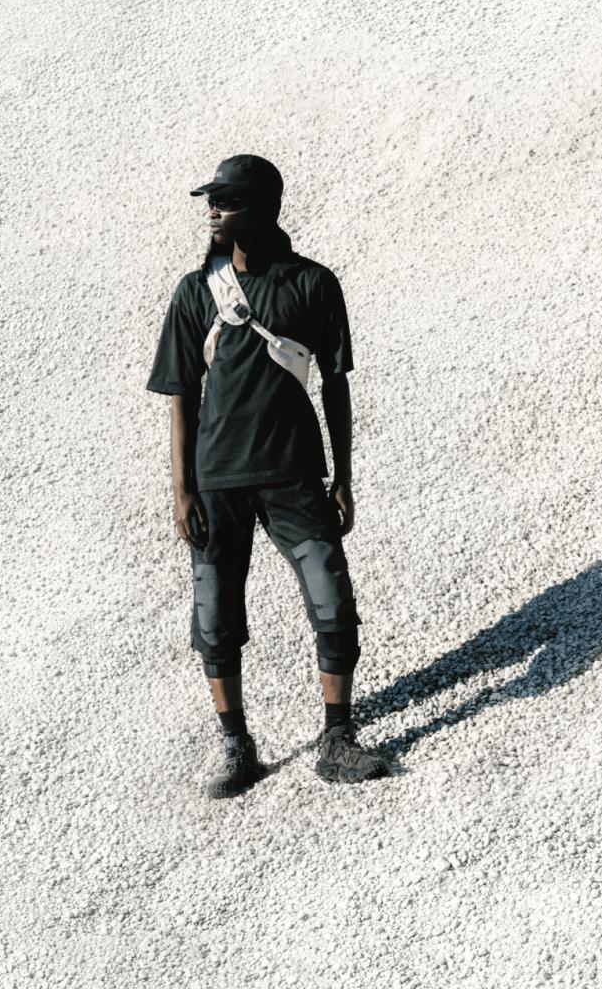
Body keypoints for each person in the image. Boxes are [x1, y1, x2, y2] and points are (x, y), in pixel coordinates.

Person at [145, 154, 390, 797]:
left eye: (226, 201)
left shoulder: (313, 284)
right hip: (216, 480)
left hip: (294, 474)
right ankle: (237, 745)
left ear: (264, 208)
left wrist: (343, 477)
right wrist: (181, 491)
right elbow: (182, 397)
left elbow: (335, 385)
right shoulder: (195, 292)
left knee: (333, 601)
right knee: (214, 616)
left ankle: (337, 738)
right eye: (212, 201)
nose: (213, 211)